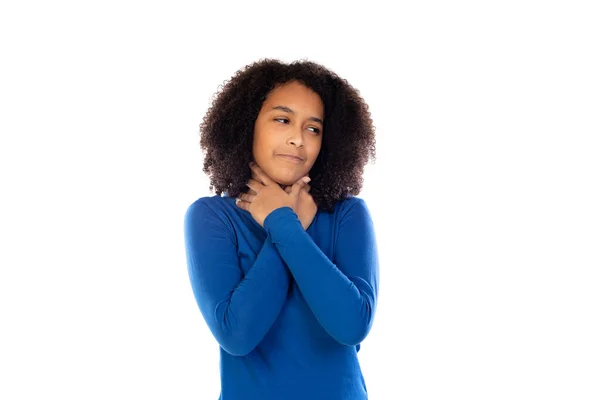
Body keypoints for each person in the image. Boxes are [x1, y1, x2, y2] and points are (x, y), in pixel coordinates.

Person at [183, 58, 379, 400]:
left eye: (313, 128)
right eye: (283, 120)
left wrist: (283, 223)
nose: (298, 140)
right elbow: (237, 335)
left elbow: (351, 325)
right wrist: (285, 223)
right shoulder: (211, 217)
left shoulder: (348, 215)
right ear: (247, 125)